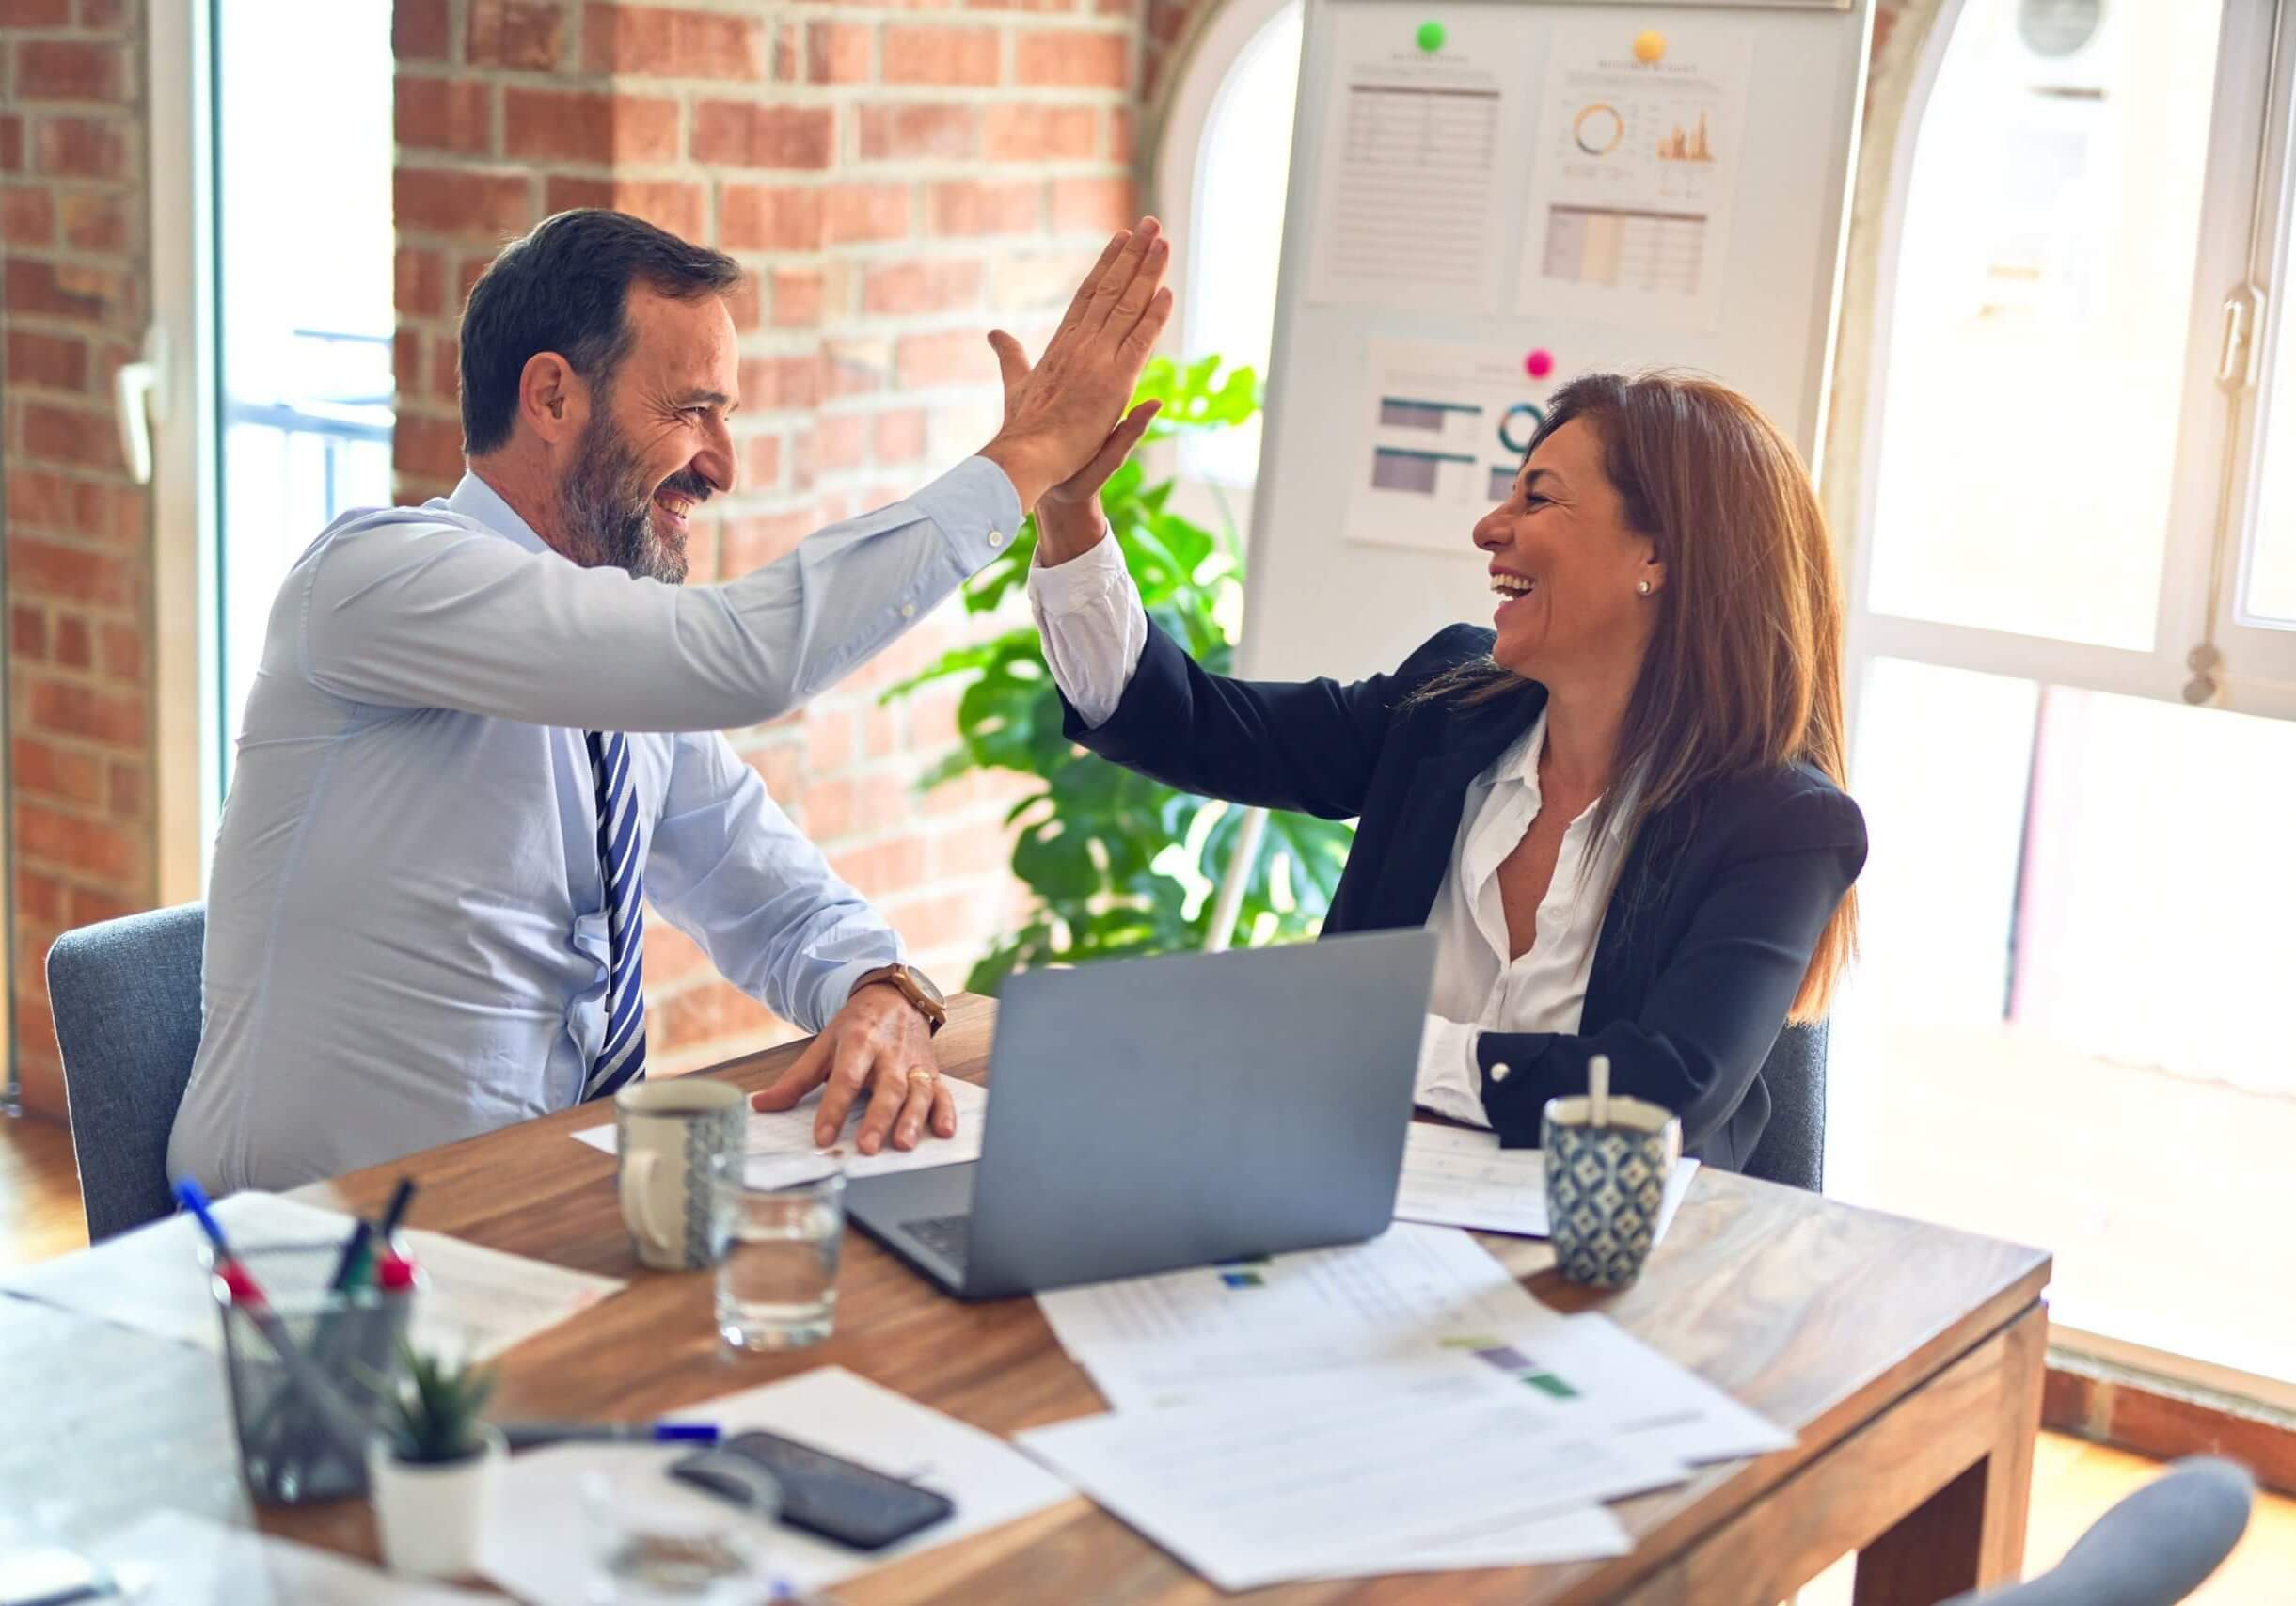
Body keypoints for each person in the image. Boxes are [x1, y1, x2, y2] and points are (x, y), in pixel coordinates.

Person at [168, 209, 1172, 1193]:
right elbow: (747, 658)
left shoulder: (617, 672)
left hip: (537, 1211)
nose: (722, 466)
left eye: (724, 416)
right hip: (310, 1253)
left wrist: (879, 989)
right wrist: (1027, 457)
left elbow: (770, 895)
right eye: (692, 410)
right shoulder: (376, 580)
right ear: (552, 398)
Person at [1025, 371, 1865, 1169]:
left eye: (1536, 497)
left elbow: (1658, 1095)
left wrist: (1372, 1042)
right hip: (1352, 1206)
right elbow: (1187, 724)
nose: (1489, 528)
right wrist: (1069, 512)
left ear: (1658, 556)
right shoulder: (1448, 708)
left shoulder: (1782, 824)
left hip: (1615, 1271)